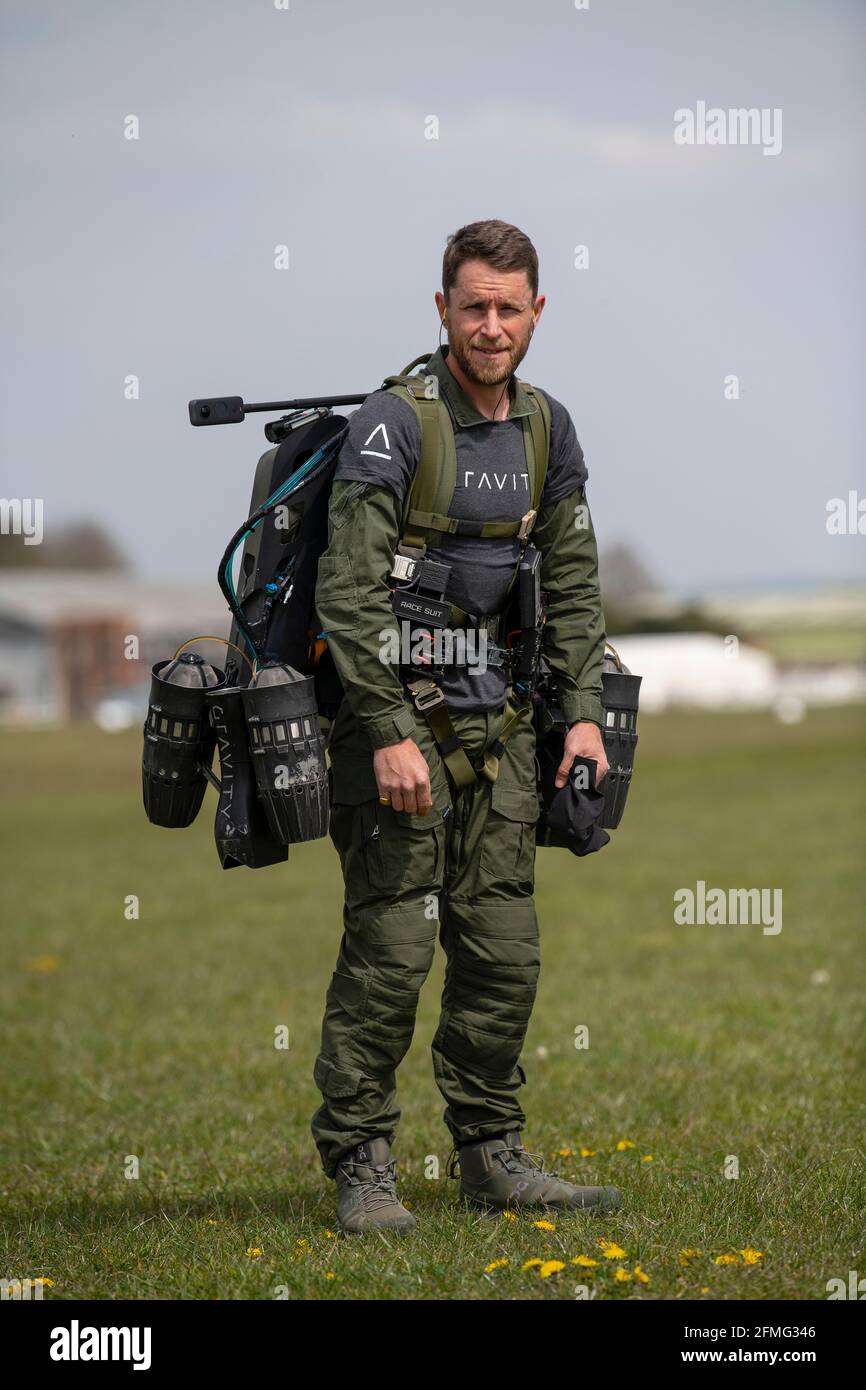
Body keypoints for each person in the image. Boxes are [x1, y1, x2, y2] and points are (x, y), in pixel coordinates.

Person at [311, 219, 622, 1233]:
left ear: (537, 313)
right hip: (396, 733)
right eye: (473, 305)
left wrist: (579, 717)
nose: (491, 325)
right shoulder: (390, 426)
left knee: (500, 947)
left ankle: (491, 1154)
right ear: (440, 308)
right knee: (392, 946)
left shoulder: (549, 429)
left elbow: (571, 589)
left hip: (507, 732)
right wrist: (388, 728)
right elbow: (346, 593)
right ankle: (361, 1163)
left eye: (509, 306)